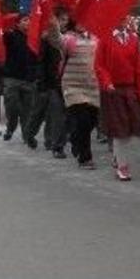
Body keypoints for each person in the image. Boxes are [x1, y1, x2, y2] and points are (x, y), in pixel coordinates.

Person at [95, 18, 140, 181]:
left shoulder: (133, 39)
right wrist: (107, 82)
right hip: (113, 90)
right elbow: (99, 65)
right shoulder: (105, 38)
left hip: (130, 88)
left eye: (127, 18)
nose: (125, 20)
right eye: (121, 17)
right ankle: (122, 166)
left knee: (132, 126)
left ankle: (118, 155)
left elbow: (139, 67)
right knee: (120, 129)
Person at [22, 10, 68, 158]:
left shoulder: (67, 39)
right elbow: (39, 61)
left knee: (56, 114)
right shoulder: (46, 39)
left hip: (58, 83)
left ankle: (53, 142)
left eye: (65, 20)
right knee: (38, 113)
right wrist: (40, 80)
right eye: (60, 19)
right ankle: (29, 134)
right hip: (45, 81)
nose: (63, 22)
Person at [60, 19, 100, 170]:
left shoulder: (96, 39)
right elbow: (55, 39)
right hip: (73, 86)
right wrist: (51, 23)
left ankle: (75, 138)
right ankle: (85, 158)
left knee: (91, 121)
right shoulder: (68, 39)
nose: (83, 23)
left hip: (92, 86)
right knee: (82, 120)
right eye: (79, 21)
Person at [1, 16, 39, 142]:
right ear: (17, 24)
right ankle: (11, 126)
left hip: (28, 78)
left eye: (29, 20)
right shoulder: (11, 36)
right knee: (12, 107)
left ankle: (26, 135)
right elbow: (1, 37)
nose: (28, 22)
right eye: (24, 20)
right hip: (12, 78)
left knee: (28, 110)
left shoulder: (33, 38)